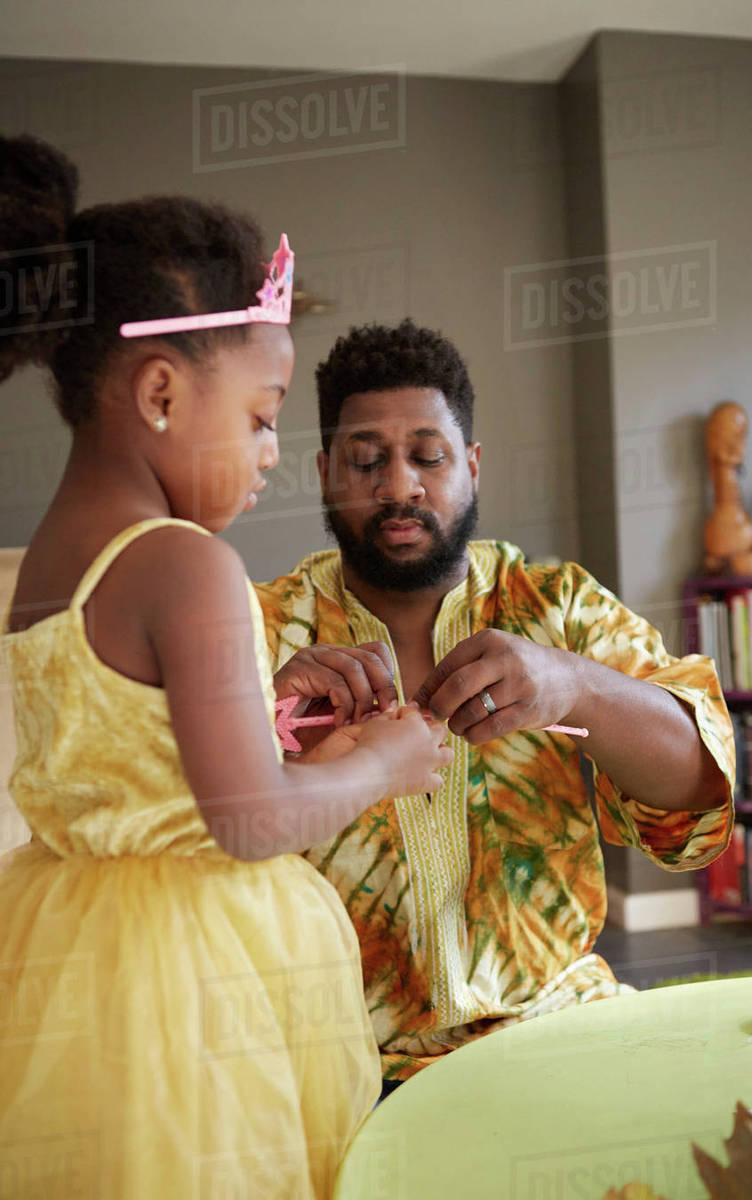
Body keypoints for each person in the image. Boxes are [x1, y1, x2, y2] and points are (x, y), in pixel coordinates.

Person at [0, 139, 452, 1198]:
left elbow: (115, 747)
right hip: (190, 980)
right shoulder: (186, 563)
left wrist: (266, 701)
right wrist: (379, 762)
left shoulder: (47, 566)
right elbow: (248, 820)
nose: (267, 453)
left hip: (66, 960)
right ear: (159, 392)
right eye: (260, 416)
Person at [254, 318, 735, 1089]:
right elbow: (191, 830)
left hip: (559, 1032)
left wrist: (574, 683)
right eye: (366, 460)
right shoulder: (261, 630)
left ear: (472, 466)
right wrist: (267, 717)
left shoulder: (554, 604)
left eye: (428, 457)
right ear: (324, 473)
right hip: (335, 1068)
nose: (400, 485)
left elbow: (698, 796)